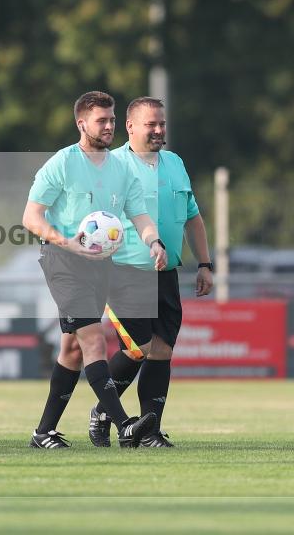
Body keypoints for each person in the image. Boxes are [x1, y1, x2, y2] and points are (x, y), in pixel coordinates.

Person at [22, 90, 168, 449]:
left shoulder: (121, 167)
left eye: (112, 120)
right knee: (93, 342)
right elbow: (30, 217)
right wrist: (67, 242)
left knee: (72, 349)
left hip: (102, 264)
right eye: (101, 120)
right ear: (81, 123)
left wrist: (153, 241)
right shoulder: (63, 163)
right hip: (63, 261)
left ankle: (43, 433)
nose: (109, 126)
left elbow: (139, 214)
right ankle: (125, 425)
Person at [75, 96, 213, 448]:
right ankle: (105, 411)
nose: (158, 130)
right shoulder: (110, 164)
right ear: (131, 127)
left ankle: (149, 431)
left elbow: (193, 217)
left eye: (162, 124)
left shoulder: (175, 163)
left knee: (163, 349)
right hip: (123, 270)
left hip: (167, 271)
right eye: (151, 124)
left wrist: (205, 263)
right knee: (140, 346)